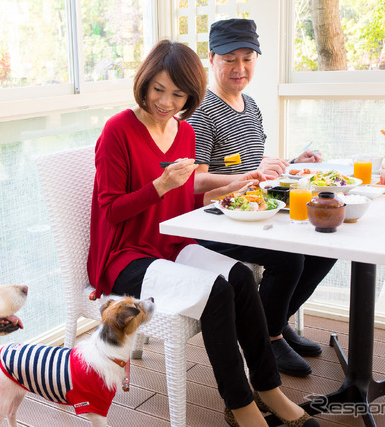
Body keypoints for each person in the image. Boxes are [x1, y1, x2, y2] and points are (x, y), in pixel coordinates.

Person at [87, 39, 319, 427]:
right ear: (144, 82)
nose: (165, 102)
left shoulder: (184, 133)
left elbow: (187, 188)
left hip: (170, 244)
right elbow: (111, 210)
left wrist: (232, 185)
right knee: (217, 293)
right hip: (125, 255)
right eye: (158, 89)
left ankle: (269, 389)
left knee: (241, 278)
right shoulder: (118, 130)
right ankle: (241, 405)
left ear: (190, 96)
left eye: (178, 94)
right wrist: (158, 187)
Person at [187, 18, 337, 377]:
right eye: (229, 59)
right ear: (211, 59)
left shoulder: (250, 106)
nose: (240, 68)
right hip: (211, 221)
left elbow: (256, 165)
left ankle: (276, 321)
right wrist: (244, 178)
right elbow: (193, 183)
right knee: (290, 258)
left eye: (248, 58)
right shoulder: (201, 112)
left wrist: (291, 164)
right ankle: (268, 338)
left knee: (324, 241)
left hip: (252, 210)